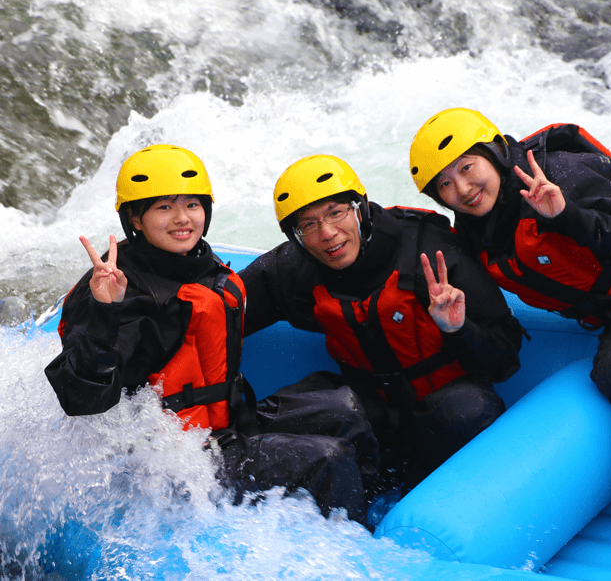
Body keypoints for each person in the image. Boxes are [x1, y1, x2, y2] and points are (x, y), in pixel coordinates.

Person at [408, 108, 611, 578]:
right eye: (444, 185)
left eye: (467, 168)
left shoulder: (559, 172)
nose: (462, 190)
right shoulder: (479, 235)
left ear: (495, 155)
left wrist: (566, 214)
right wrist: (453, 323)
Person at [45, 144, 378, 523]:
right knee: (327, 460)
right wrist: (105, 312)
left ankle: (372, 520)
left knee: (344, 408)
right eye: (164, 208)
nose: (182, 219)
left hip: (226, 427)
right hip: (177, 462)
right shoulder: (115, 288)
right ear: (136, 220)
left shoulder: (198, 263)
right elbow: (81, 398)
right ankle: (347, 552)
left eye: (192, 205)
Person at [238, 154, 524, 495]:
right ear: (296, 236)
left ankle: (405, 496)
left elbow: (505, 359)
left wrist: (458, 329)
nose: (327, 234)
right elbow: (220, 313)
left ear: (360, 209)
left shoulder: (430, 250)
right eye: (309, 225)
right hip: (363, 408)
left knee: (473, 407)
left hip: (434, 411)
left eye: (335, 212)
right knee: (322, 403)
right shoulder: (293, 268)